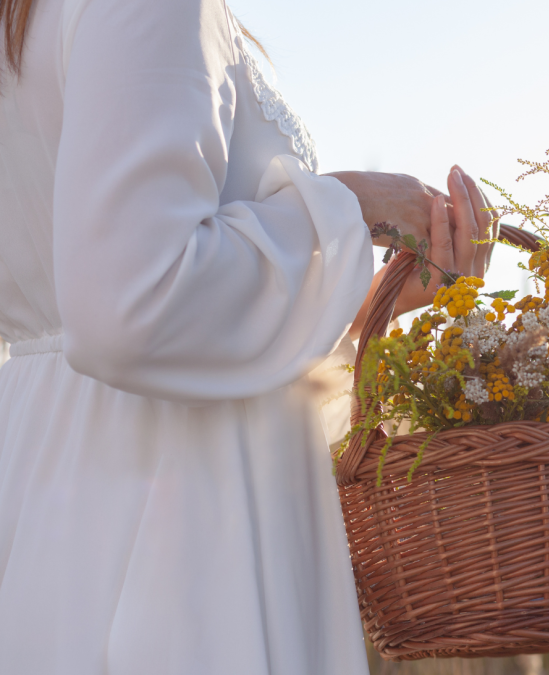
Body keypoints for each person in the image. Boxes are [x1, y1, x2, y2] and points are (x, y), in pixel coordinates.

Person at [0, 0, 496, 672]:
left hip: (53, 484)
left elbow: (130, 295)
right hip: (181, 523)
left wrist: (359, 297)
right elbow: (131, 301)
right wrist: (350, 207)